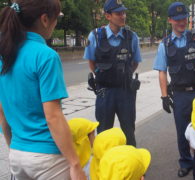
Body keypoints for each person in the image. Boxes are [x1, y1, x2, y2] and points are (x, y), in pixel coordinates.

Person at [0, 1, 86, 180]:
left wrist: (14, 149)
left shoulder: (4, 54)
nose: (56, 24)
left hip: (17, 153)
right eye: (56, 19)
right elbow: (53, 116)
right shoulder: (45, 55)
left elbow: (2, 114)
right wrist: (75, 164)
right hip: (47, 159)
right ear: (45, 19)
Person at [153, 1, 195, 177]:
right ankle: (186, 162)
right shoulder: (164, 44)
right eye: (177, 19)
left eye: (184, 18)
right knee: (182, 131)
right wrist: (164, 97)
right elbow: (162, 72)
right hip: (179, 95)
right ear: (170, 20)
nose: (182, 22)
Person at [83, 0, 142, 146]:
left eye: (123, 12)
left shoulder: (131, 37)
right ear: (108, 16)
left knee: (129, 131)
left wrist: (122, 76)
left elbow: (135, 62)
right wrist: (106, 75)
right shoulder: (95, 36)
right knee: (104, 133)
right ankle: (104, 165)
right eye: (118, 13)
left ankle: (131, 165)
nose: (123, 16)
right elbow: (92, 62)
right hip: (105, 92)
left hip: (126, 91)